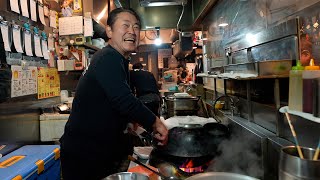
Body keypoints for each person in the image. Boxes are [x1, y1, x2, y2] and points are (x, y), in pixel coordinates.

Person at [59, 8, 168, 180]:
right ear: (109, 31)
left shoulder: (118, 59)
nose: (132, 31)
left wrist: (129, 124)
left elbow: (111, 101)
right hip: (86, 156)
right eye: (125, 25)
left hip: (96, 151)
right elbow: (124, 100)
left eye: (136, 27)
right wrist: (155, 123)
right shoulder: (108, 57)